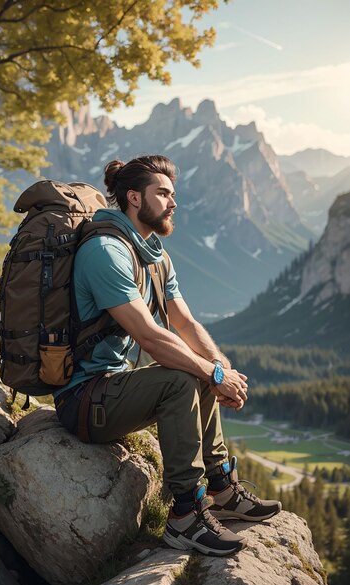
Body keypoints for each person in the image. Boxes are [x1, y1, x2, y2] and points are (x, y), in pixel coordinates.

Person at [54, 155, 281, 557]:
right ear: (134, 198)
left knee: (200, 368)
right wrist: (212, 374)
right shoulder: (106, 251)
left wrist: (222, 370)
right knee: (182, 377)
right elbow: (151, 337)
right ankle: (185, 517)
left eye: (173, 194)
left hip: (114, 389)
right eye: (163, 193)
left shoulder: (153, 253)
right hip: (84, 400)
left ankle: (223, 491)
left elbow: (185, 324)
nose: (173, 202)